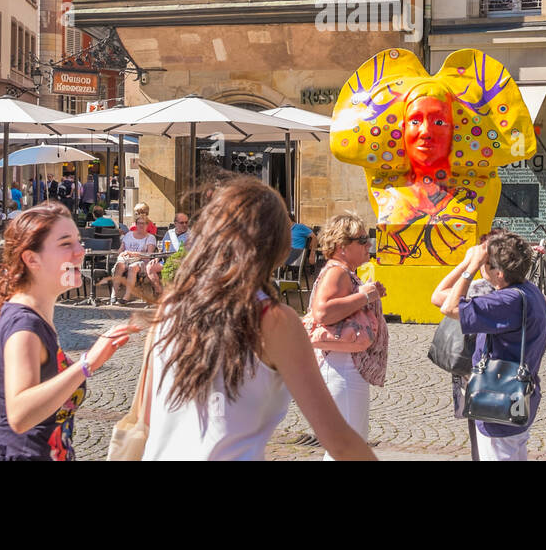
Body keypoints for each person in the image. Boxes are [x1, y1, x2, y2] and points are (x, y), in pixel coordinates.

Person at [141, 175, 374, 460]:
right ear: (277, 244)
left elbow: (146, 418)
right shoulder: (274, 321)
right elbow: (339, 441)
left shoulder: (171, 307)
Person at [0, 202, 136, 460]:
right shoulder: (25, 327)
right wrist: (87, 363)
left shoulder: (35, 313)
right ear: (31, 259)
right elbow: (19, 415)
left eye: (77, 241)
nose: (80, 252)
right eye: (65, 244)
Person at [433, 232, 546, 461]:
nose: (481, 268)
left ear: (499, 273)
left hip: (499, 401)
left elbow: (448, 307)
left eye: (485, 265)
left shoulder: (506, 301)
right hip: (519, 396)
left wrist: (470, 266)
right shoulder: (530, 292)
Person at [307, 212, 388, 459]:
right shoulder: (337, 272)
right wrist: (366, 296)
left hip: (346, 366)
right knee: (349, 448)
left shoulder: (342, 271)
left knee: (346, 447)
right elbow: (322, 311)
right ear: (342, 247)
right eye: (362, 240)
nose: (368, 245)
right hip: (342, 369)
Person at [110, 213, 156, 305]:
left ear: (147, 225)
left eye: (143, 223)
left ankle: (126, 297)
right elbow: (121, 249)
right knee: (120, 266)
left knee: (133, 267)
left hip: (141, 261)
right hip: (126, 259)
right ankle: (113, 295)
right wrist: (122, 253)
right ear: (136, 224)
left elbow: (149, 255)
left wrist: (133, 253)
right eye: (139, 223)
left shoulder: (150, 238)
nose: (141, 225)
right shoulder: (129, 235)